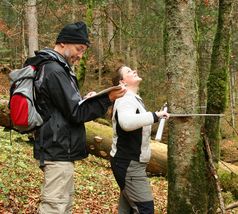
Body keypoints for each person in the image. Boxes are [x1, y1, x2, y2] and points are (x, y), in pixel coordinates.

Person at [27, 21, 126, 213]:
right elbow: (76, 113)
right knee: (54, 207)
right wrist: (106, 99)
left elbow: (65, 107)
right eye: (78, 49)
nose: (80, 56)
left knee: (63, 205)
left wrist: (86, 100)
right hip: (57, 149)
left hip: (60, 148)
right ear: (63, 43)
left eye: (83, 51)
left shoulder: (57, 68)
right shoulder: (54, 70)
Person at [110, 65, 169, 214]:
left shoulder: (133, 99)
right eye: (129, 72)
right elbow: (126, 123)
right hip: (129, 164)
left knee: (128, 210)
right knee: (145, 209)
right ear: (122, 82)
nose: (134, 71)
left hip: (131, 163)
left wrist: (156, 115)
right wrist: (155, 116)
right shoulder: (125, 98)